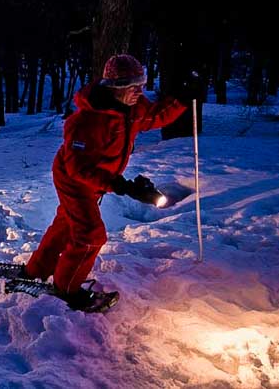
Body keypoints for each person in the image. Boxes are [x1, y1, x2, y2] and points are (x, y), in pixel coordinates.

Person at [24, 54, 187, 310]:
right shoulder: (86, 122)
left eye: (142, 85)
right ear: (115, 87)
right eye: (133, 86)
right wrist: (123, 186)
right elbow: (79, 169)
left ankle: (36, 269)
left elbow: (156, 117)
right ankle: (67, 289)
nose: (139, 92)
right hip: (74, 179)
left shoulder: (131, 110)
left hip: (98, 178)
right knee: (90, 234)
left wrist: (182, 99)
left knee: (67, 223)